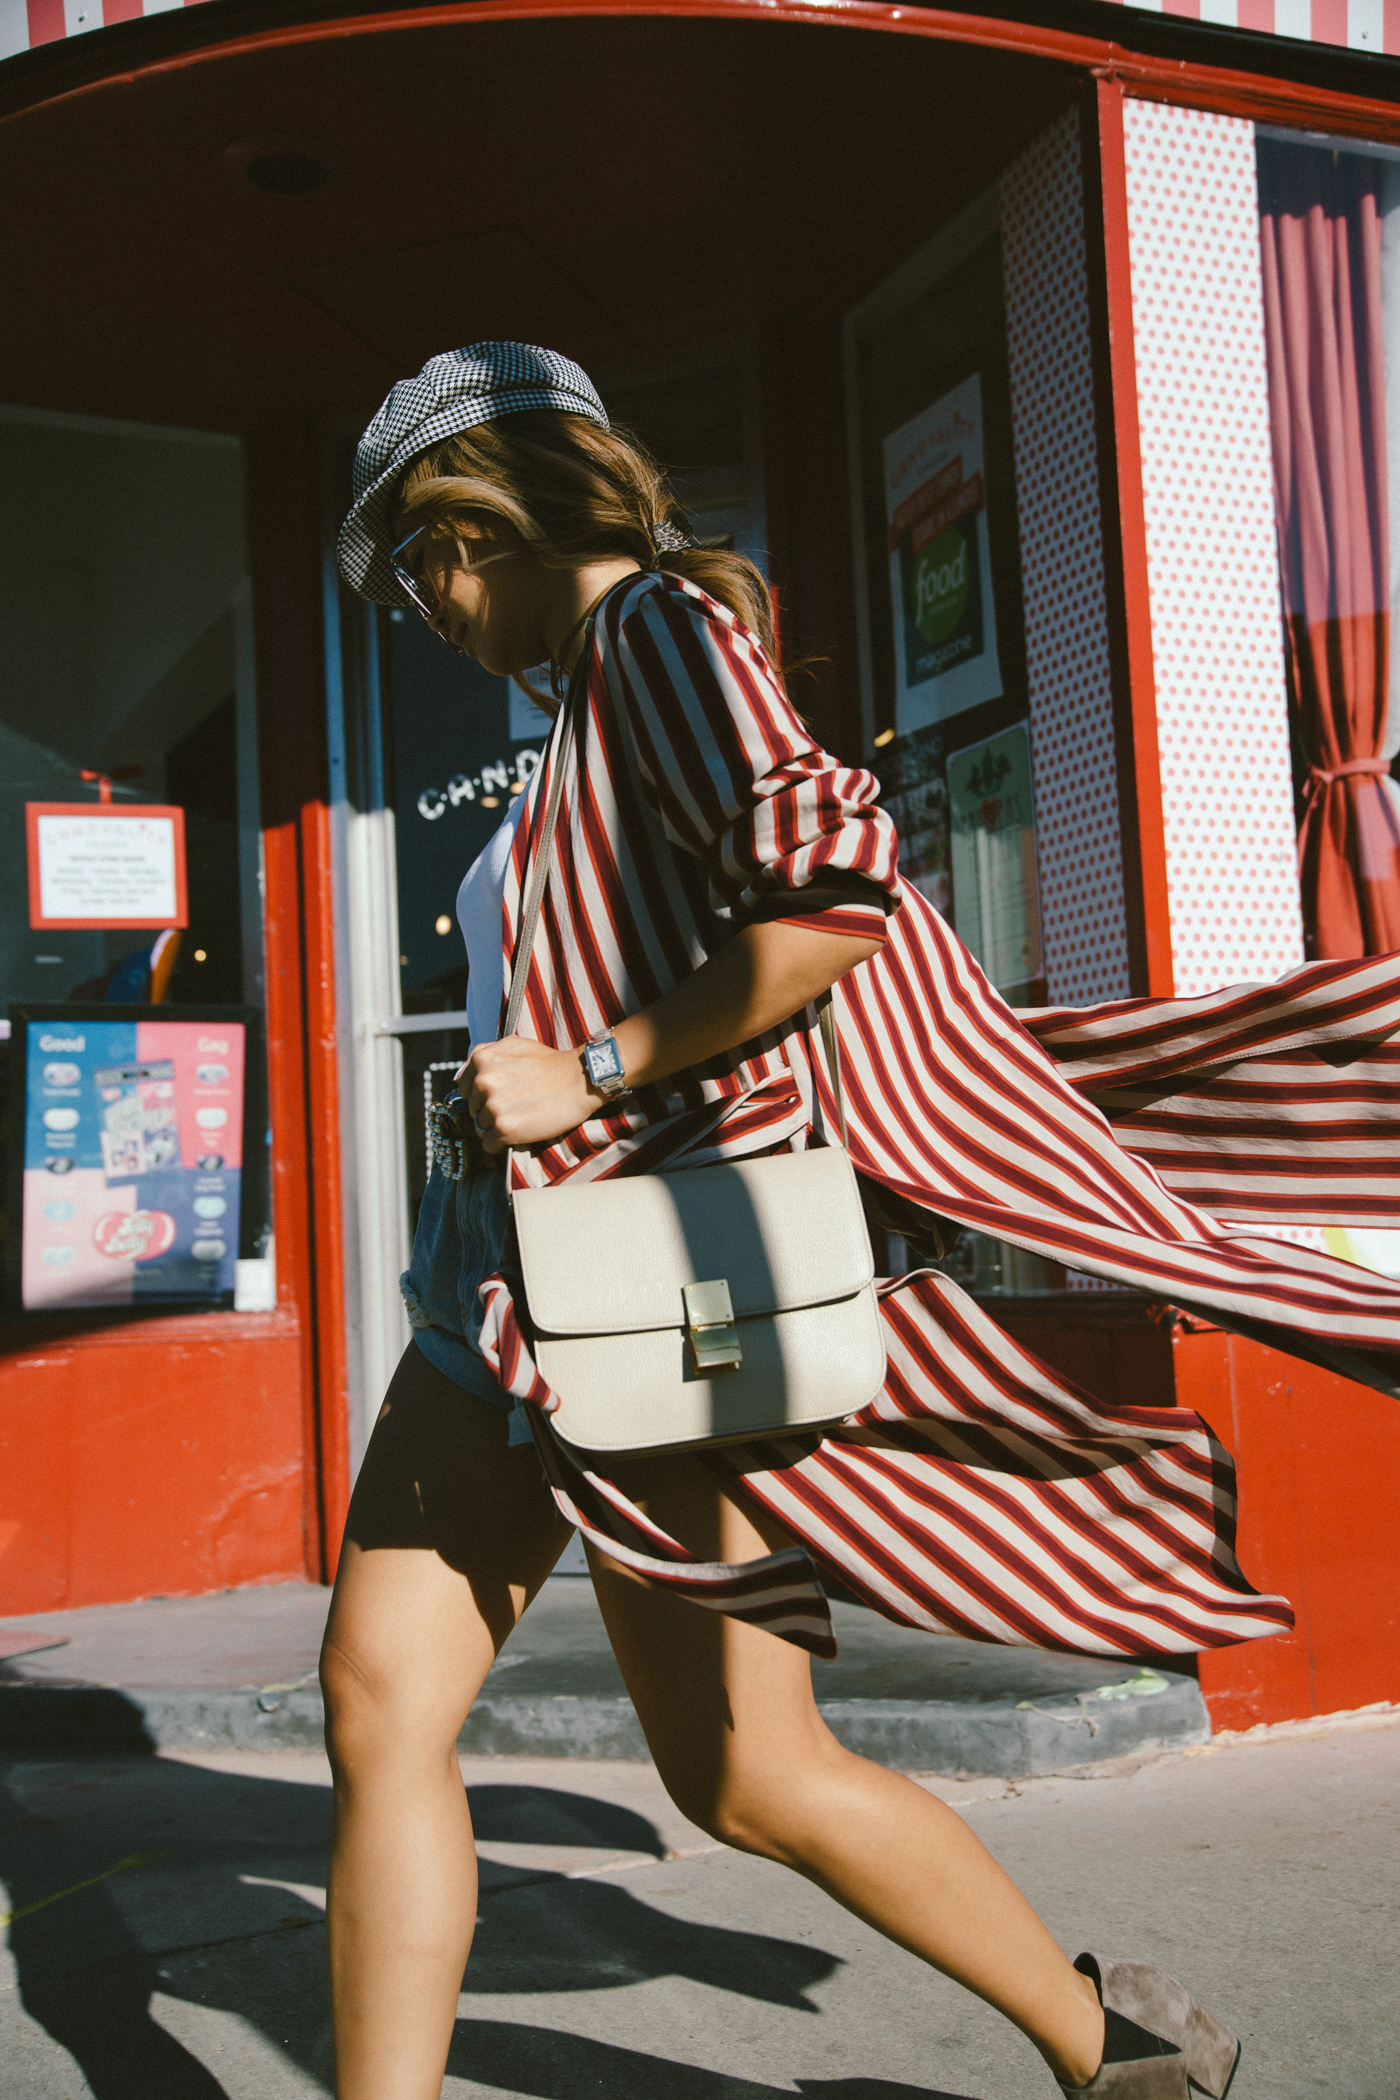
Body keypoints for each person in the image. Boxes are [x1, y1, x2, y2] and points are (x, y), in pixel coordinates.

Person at [326, 342, 1396, 2100]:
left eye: (418, 565)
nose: (421, 612)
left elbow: (833, 889)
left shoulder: (656, 637)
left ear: (477, 517)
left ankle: (1104, 2037)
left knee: (748, 1776)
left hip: (624, 1296)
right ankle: (1115, 2045)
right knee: (384, 1708)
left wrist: (590, 1067)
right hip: (501, 1286)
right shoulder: (591, 694)